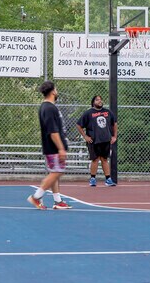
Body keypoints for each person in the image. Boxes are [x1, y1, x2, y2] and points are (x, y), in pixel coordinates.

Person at [27, 81, 72, 210]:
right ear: (53, 91)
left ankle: (57, 201)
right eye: (56, 89)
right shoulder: (49, 108)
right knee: (57, 172)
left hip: (52, 147)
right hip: (53, 147)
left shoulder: (47, 107)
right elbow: (53, 131)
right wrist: (61, 148)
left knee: (55, 172)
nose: (57, 91)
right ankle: (36, 197)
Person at [76, 95, 118, 187]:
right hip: (93, 140)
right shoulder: (88, 113)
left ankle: (108, 179)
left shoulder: (107, 112)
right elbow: (78, 125)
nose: (100, 101)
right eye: (97, 100)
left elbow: (114, 123)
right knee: (95, 159)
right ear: (93, 102)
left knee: (104, 159)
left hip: (106, 140)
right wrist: (85, 136)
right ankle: (93, 179)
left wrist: (114, 136)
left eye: (100, 99)